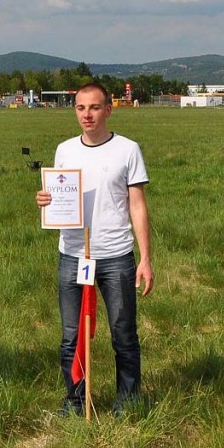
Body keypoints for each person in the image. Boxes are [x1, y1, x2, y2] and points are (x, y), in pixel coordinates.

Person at [36, 82, 153, 416]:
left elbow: (138, 205)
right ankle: (75, 401)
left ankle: (128, 401)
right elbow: (58, 196)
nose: (87, 114)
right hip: (73, 254)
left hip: (116, 255)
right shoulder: (65, 150)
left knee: (123, 333)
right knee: (72, 337)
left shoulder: (128, 150)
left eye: (94, 107)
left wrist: (144, 258)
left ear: (108, 109)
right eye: (80, 108)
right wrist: (45, 200)